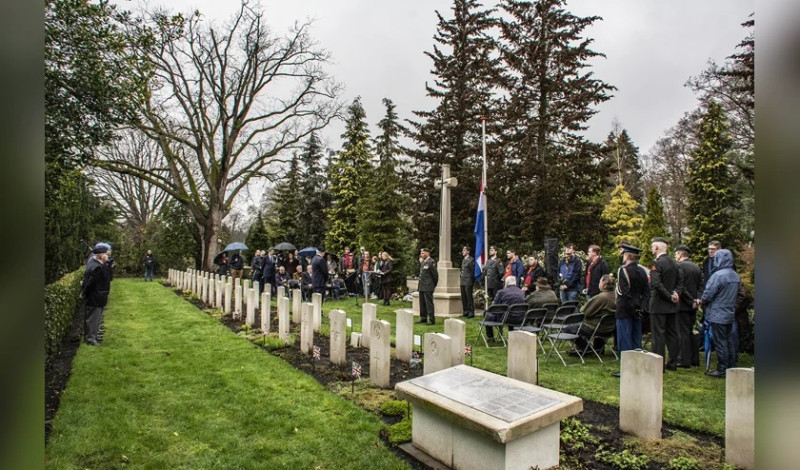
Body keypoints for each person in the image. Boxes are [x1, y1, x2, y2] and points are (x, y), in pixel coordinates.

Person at [700, 249, 740, 378]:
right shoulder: (734, 275)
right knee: (729, 341)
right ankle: (731, 365)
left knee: (720, 342)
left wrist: (702, 301)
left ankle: (722, 369)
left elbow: (708, 293)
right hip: (729, 312)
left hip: (718, 313)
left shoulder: (718, 275)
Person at [612, 245, 650, 377]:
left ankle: (626, 369)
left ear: (627, 256)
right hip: (638, 309)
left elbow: (623, 292)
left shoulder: (623, 271)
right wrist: (642, 308)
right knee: (636, 340)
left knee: (625, 340)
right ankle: (637, 367)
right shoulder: (643, 271)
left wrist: (632, 308)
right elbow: (646, 292)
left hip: (625, 309)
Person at [649, 237, 683, 371]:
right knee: (672, 334)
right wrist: (675, 294)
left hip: (659, 305)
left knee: (658, 336)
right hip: (672, 305)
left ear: (656, 248)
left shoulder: (657, 263)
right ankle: (673, 363)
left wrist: (669, 296)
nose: (652, 249)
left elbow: (656, 283)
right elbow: (680, 283)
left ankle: (658, 365)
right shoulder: (675, 264)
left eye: (653, 247)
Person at [564, 274, 616, 355]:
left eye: (599, 281)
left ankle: (586, 348)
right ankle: (598, 348)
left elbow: (584, 311)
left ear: (603, 284)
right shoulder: (616, 296)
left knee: (568, 328)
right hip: (610, 328)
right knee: (598, 321)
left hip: (596, 327)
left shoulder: (601, 298)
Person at [675, 245, 703, 368]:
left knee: (682, 332)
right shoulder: (696, 267)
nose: (675, 257)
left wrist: (690, 300)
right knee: (692, 331)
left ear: (680, 254)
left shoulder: (679, 267)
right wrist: (698, 299)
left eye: (676, 254)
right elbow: (701, 286)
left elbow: (681, 287)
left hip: (683, 304)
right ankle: (694, 359)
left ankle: (683, 359)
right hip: (694, 305)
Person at [80, 243, 113, 345]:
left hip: (98, 296)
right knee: (92, 318)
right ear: (101, 255)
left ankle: (93, 335)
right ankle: (90, 339)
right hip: (95, 296)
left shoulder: (98, 264)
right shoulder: (97, 267)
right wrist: (84, 293)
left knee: (96, 317)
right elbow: (90, 283)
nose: (107, 256)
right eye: (106, 254)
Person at [485, 276, 526, 341]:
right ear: (515, 283)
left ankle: (490, 337)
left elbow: (495, 306)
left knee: (487, 313)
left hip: (505, 318)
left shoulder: (501, 292)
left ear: (506, 283)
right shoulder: (521, 292)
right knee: (511, 311)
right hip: (520, 318)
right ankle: (511, 335)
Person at [417, 248, 438, 325]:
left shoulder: (431, 262)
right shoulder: (423, 262)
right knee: (422, 303)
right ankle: (423, 318)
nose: (421, 254)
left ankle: (431, 319)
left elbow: (435, 275)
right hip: (422, 286)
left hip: (428, 286)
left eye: (423, 253)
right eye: (421, 253)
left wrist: (432, 285)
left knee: (429, 303)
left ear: (427, 253)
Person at [460, 246, 475, 318]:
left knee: (469, 297)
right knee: (464, 297)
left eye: (464, 250)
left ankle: (471, 312)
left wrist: (471, 280)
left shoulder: (471, 260)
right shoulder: (463, 260)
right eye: (463, 250)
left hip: (468, 280)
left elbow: (472, 271)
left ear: (468, 252)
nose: (463, 251)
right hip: (462, 280)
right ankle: (465, 311)